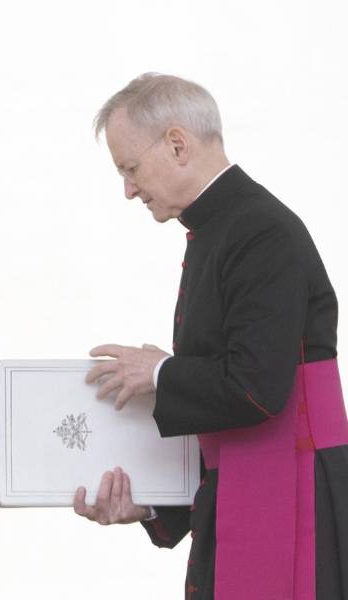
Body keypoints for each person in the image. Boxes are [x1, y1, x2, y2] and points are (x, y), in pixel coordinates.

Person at [74, 73, 348, 599]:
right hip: (250, 486)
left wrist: (158, 372)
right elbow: (219, 422)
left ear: (177, 145)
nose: (128, 190)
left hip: (295, 496)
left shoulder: (261, 232)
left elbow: (255, 388)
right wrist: (150, 506)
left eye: (130, 169)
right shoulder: (221, 229)